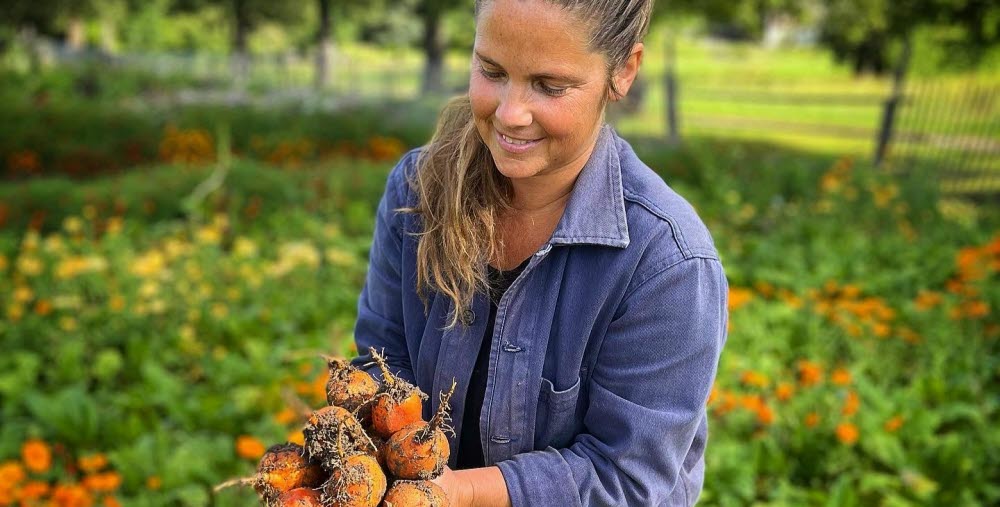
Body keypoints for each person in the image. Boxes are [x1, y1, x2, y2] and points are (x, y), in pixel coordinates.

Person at [352, 0, 728, 505]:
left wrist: (458, 492)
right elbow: (382, 363)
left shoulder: (666, 262)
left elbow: (625, 477)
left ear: (623, 71)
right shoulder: (418, 192)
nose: (511, 114)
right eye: (492, 72)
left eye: (550, 86)